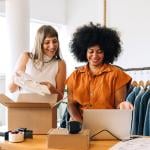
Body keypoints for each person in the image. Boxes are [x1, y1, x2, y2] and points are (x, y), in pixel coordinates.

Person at [66, 22, 133, 123]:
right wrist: (79, 122)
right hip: (79, 127)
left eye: (99, 51)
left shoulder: (117, 75)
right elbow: (71, 104)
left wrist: (123, 105)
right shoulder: (75, 75)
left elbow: (119, 105)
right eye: (91, 51)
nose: (95, 56)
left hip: (108, 126)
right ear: (84, 52)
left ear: (106, 52)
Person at [8, 25, 66, 101]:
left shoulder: (60, 64)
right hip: (24, 108)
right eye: (47, 42)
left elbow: (60, 98)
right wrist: (17, 78)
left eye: (55, 41)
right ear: (40, 44)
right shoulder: (26, 57)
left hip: (47, 110)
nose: (52, 46)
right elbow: (11, 89)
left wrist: (50, 88)